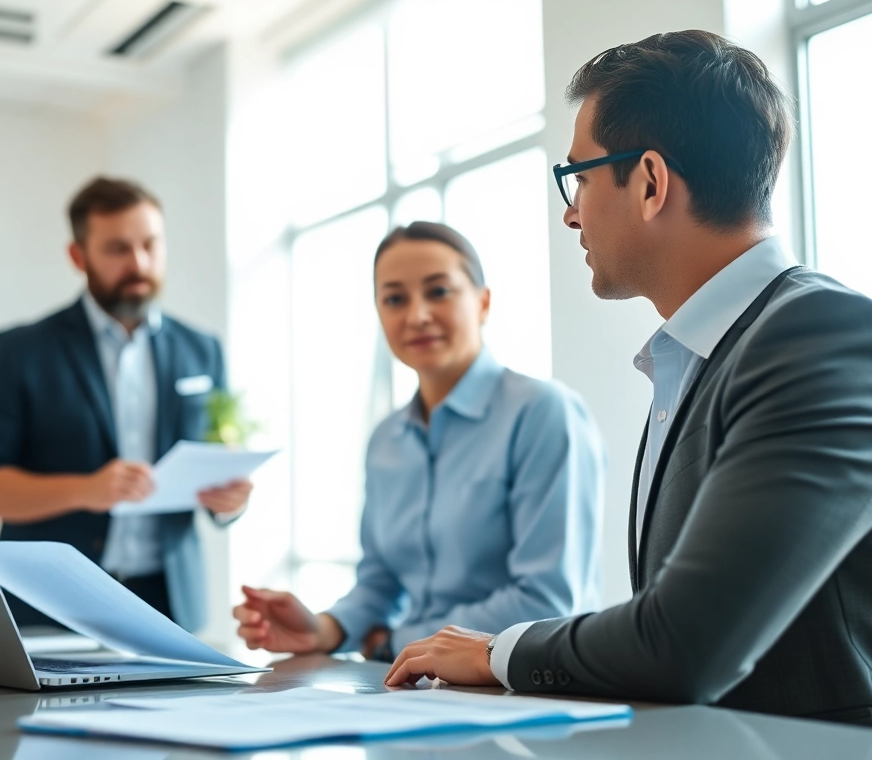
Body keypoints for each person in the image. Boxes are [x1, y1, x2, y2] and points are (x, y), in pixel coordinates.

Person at [384, 31, 872, 740]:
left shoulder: (826, 339)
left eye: (581, 178)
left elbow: (686, 641)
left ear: (650, 182)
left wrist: (499, 651)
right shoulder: (706, 355)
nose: (571, 212)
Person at [233, 221, 604, 660]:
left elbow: (548, 602)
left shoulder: (543, 412)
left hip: (516, 687)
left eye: (439, 291)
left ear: (483, 302)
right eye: (394, 299)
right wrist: (321, 629)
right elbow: (380, 584)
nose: (417, 315)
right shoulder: (386, 440)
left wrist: (394, 642)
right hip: (413, 686)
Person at [0, 176, 252, 633]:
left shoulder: (202, 349)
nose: (139, 262)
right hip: (50, 604)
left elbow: (218, 460)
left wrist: (229, 499)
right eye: (117, 249)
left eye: (151, 244)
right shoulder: (22, 350)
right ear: (78, 256)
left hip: (170, 608)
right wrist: (85, 490)